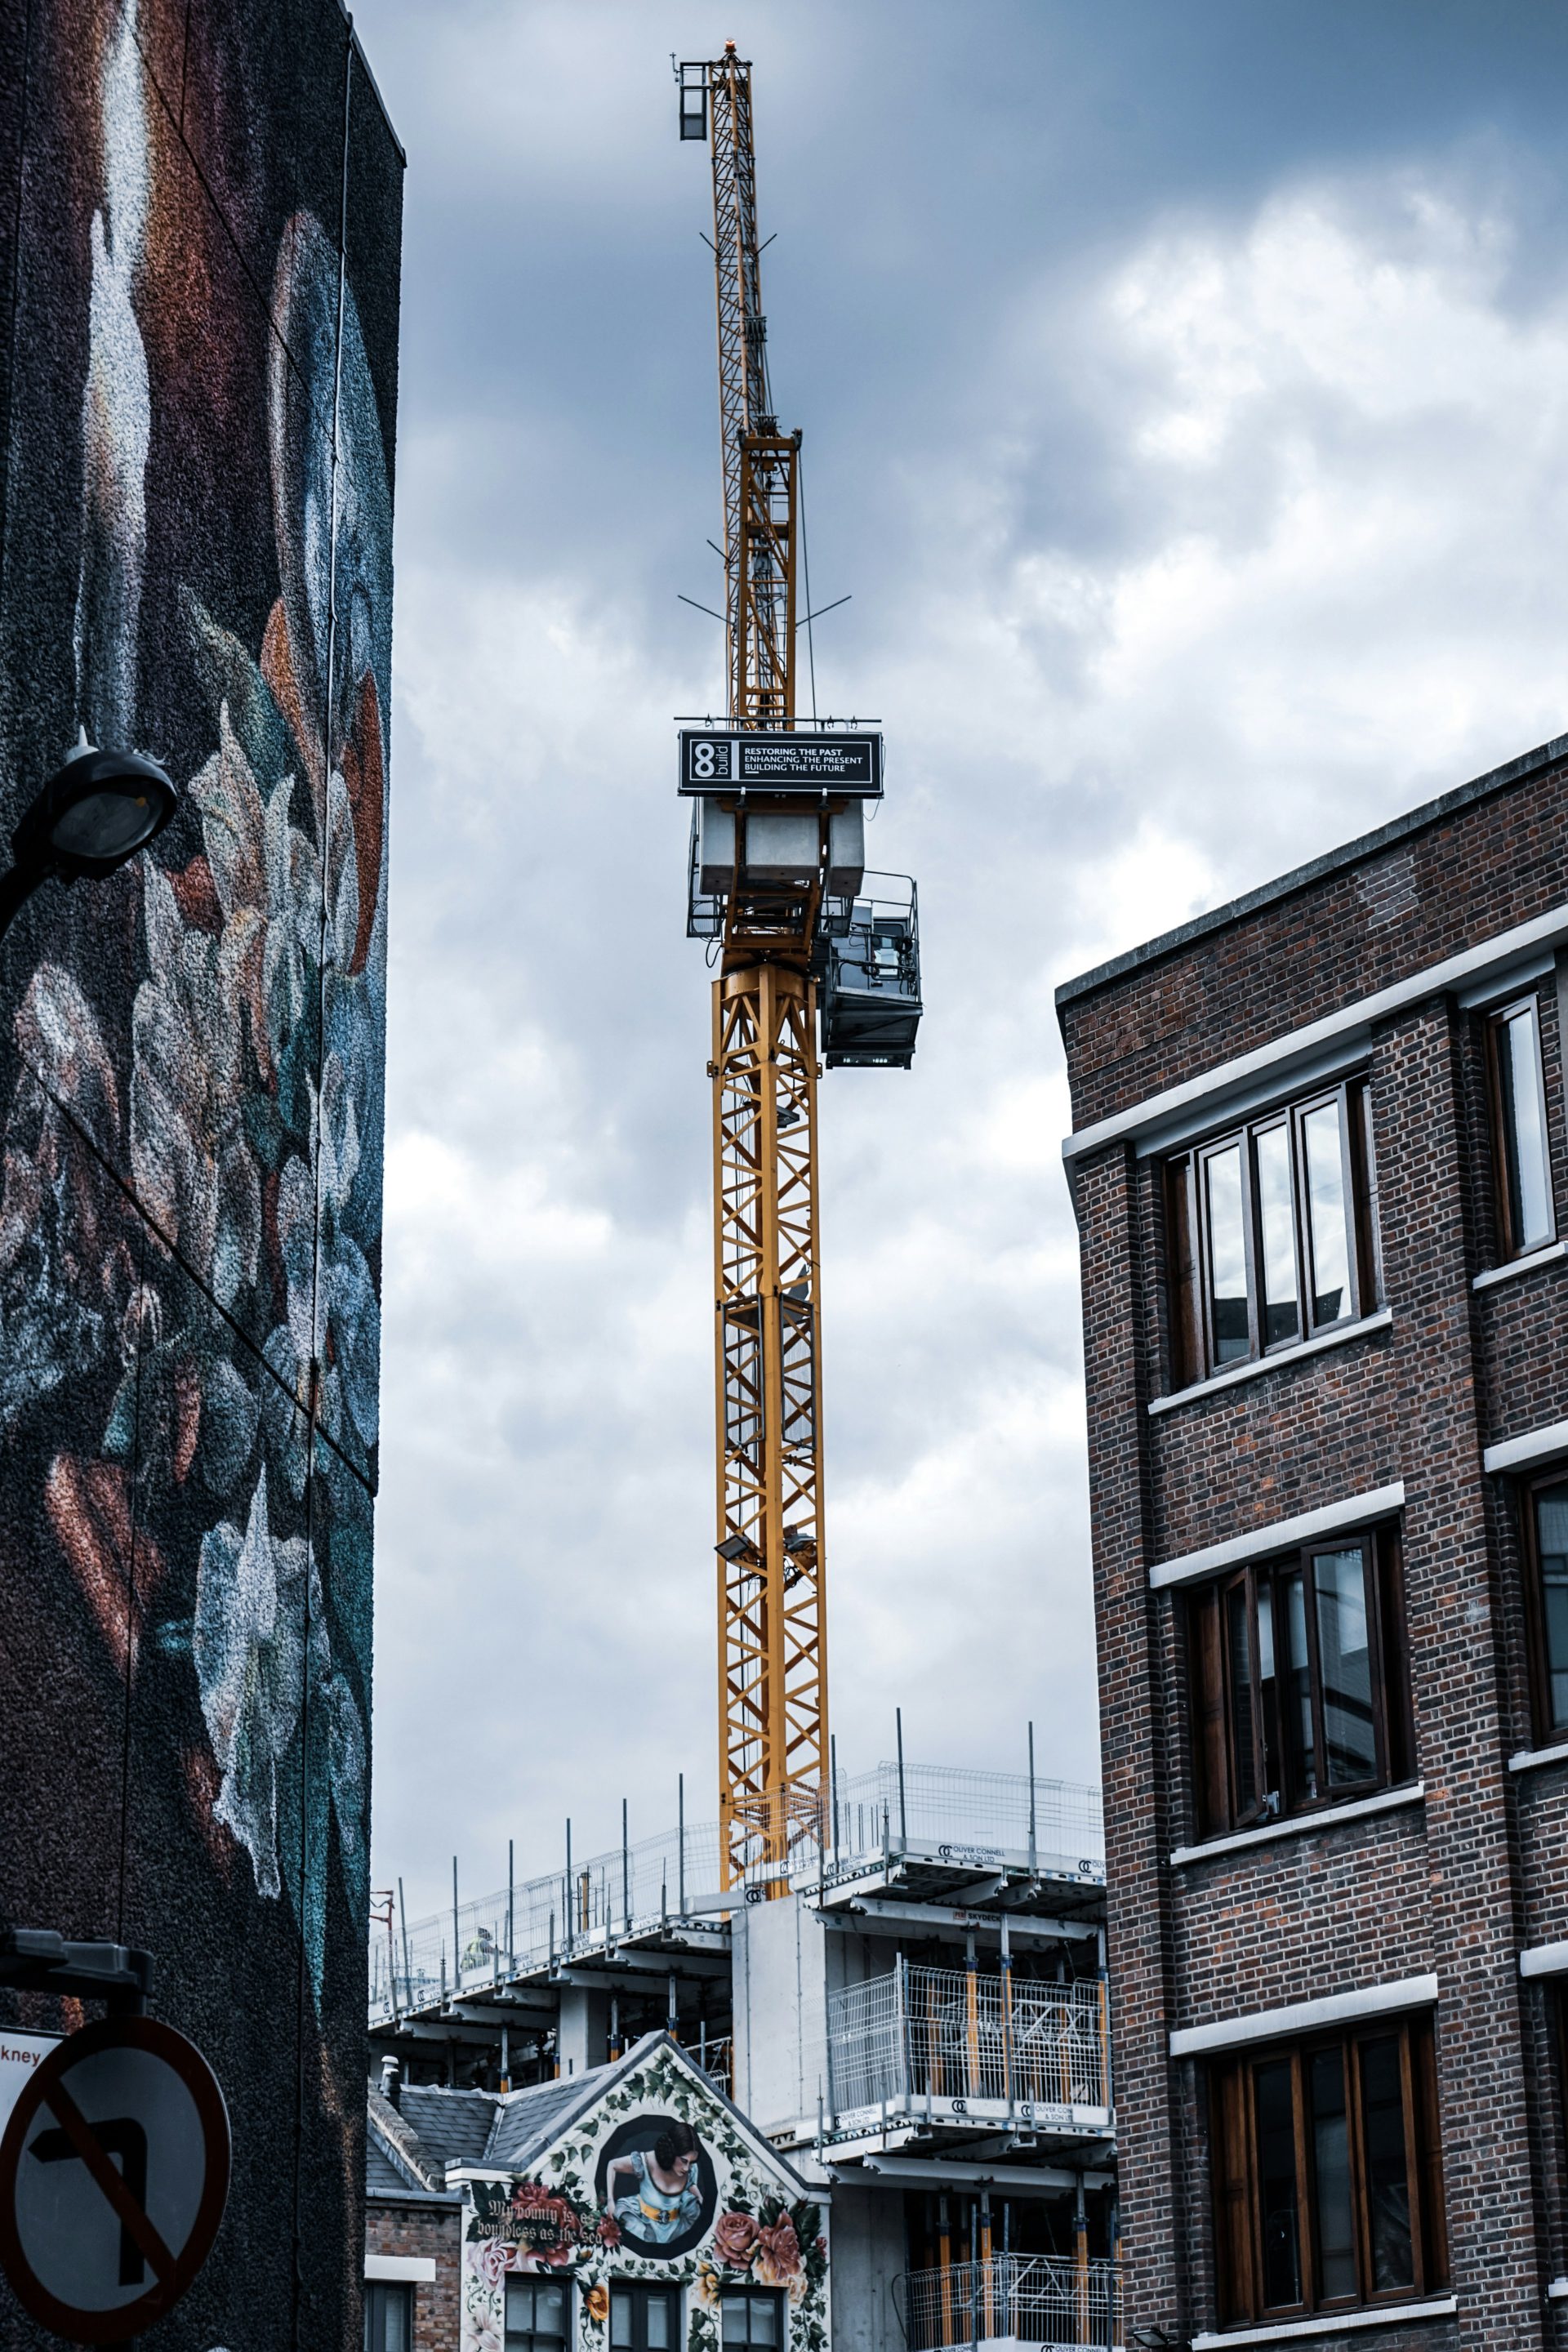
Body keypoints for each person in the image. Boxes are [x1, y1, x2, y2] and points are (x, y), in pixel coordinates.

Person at [605, 2123, 702, 2245]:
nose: (687, 2168)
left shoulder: (691, 2169)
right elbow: (612, 2165)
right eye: (684, 2161)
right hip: (642, 2221)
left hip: (675, 2226)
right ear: (671, 2151)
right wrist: (610, 2201)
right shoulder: (646, 2161)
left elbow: (691, 2184)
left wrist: (699, 2197)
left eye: (691, 2162)